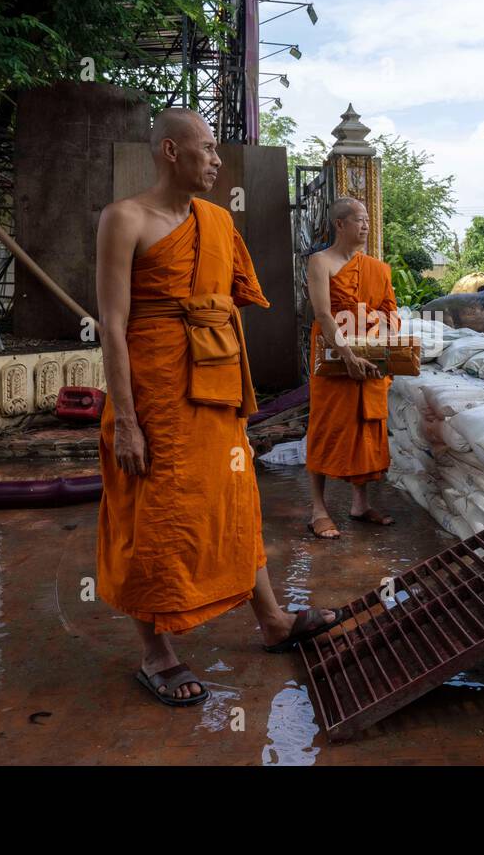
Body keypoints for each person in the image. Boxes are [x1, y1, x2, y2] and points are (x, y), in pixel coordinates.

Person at [95, 108, 338, 707]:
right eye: (206, 148)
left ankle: (273, 620)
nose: (216, 160)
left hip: (213, 386)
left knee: (234, 501)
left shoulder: (217, 221)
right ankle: (156, 654)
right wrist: (126, 421)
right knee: (153, 513)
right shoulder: (124, 219)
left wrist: (239, 401)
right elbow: (113, 324)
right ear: (171, 151)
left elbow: (225, 306)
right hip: (153, 394)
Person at [305, 197, 398, 539]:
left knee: (365, 428)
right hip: (332, 358)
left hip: (369, 358)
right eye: (359, 220)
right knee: (326, 428)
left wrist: (378, 348)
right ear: (340, 224)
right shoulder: (321, 262)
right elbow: (324, 315)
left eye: (368, 220)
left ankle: (360, 504)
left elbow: (390, 314)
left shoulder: (378, 268)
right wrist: (347, 354)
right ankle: (318, 509)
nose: (366, 226)